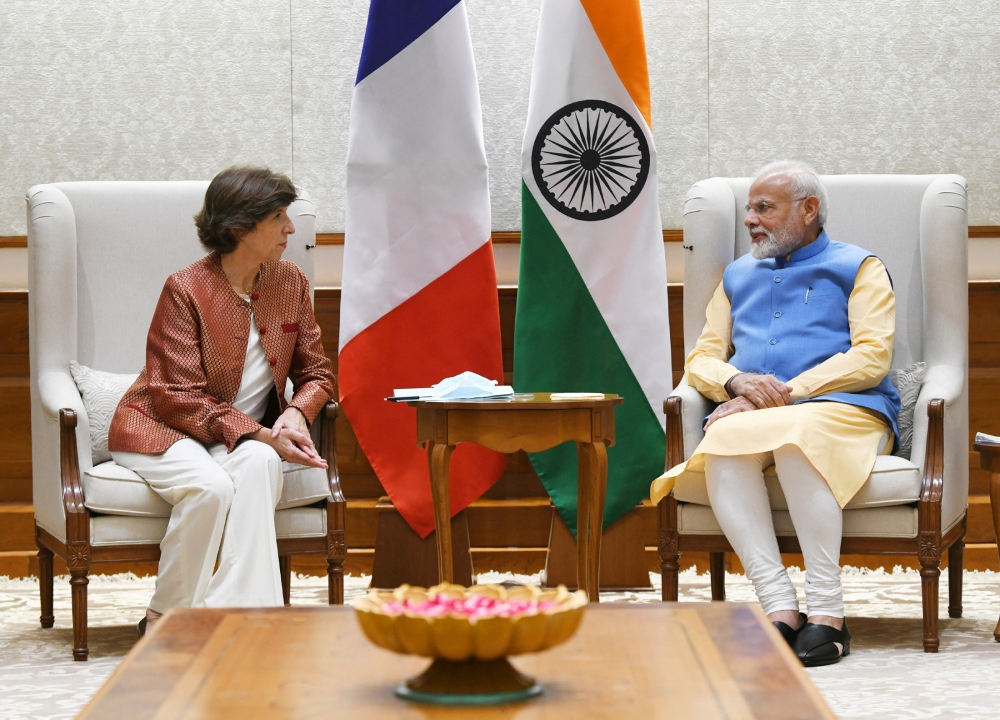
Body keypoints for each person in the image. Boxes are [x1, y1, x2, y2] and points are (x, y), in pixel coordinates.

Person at [650, 160, 900, 667]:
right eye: (749, 209)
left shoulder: (859, 266)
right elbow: (703, 358)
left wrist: (784, 393)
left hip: (847, 410)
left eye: (764, 208)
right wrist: (736, 383)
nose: (750, 220)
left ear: (808, 210)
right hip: (757, 413)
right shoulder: (737, 275)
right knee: (723, 442)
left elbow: (872, 356)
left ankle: (828, 614)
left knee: (793, 437)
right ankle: (778, 606)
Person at [108, 166, 335, 634]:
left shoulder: (289, 281)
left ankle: (246, 618)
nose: (291, 228)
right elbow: (177, 397)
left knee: (262, 463)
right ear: (239, 228)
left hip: (231, 437)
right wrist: (260, 434)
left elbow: (317, 373)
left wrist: (296, 412)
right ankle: (164, 618)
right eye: (277, 217)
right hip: (159, 429)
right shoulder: (186, 288)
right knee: (210, 488)